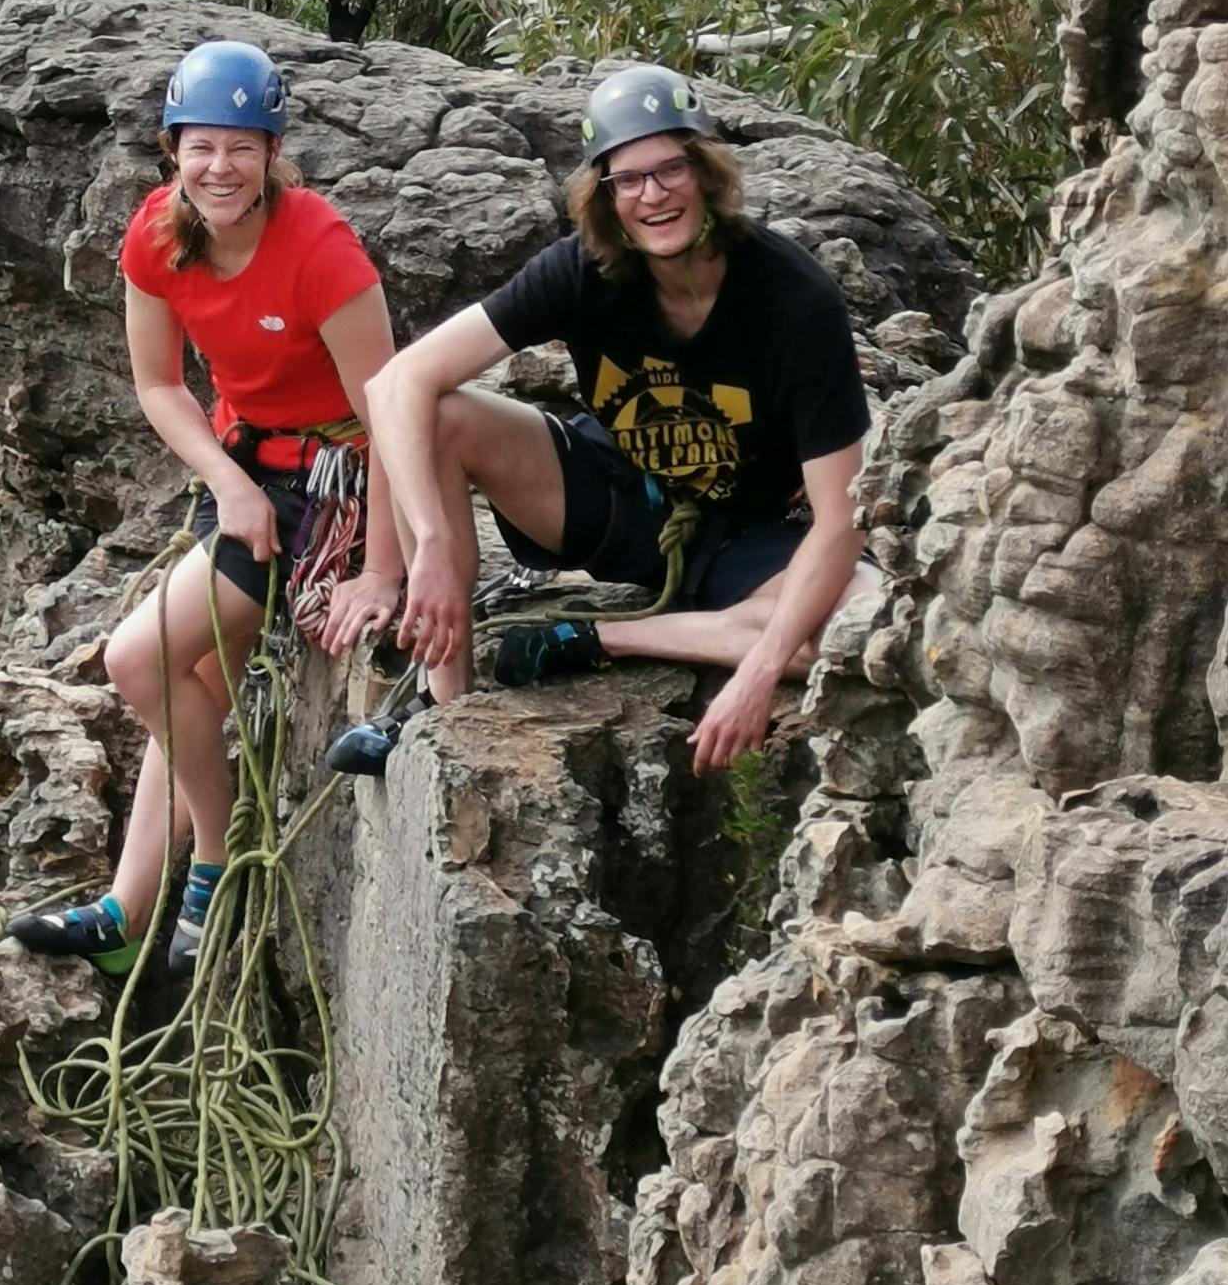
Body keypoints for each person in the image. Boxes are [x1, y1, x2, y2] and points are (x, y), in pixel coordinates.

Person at [10, 37, 407, 977]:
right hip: (248, 468)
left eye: (240, 148)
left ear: (273, 153)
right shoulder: (158, 233)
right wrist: (229, 484)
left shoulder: (319, 249)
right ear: (173, 151)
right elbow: (158, 384)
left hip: (336, 481)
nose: (219, 168)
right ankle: (126, 912)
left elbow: (391, 414)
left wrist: (385, 570)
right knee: (187, 676)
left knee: (140, 659)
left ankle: (212, 868)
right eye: (201, 148)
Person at [355, 60, 869, 777]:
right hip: (620, 500)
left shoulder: (794, 300)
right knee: (438, 415)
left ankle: (598, 637)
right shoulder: (582, 269)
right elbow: (395, 384)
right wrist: (433, 542)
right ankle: (445, 708)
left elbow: (840, 519)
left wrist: (759, 671)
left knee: (862, 621)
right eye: (627, 180)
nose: (652, 195)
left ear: (706, 173)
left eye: (671, 170)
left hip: (750, 536)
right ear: (604, 194)